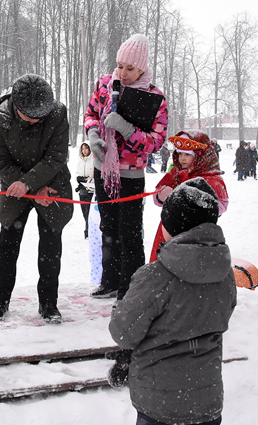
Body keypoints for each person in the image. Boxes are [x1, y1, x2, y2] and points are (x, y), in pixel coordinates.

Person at [109, 178, 237, 425]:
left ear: (172, 227)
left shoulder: (155, 276)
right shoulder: (225, 273)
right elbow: (222, 315)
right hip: (207, 399)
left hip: (160, 403)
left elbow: (123, 333)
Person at [84, 33, 168, 302]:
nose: (122, 72)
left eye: (129, 68)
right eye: (120, 65)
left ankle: (130, 286)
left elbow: (156, 142)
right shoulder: (105, 84)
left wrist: (126, 129)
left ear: (142, 68)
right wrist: (94, 136)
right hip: (103, 169)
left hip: (131, 174)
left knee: (129, 231)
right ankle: (109, 281)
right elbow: (91, 115)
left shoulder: (155, 98)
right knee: (107, 228)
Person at [0, 73, 74, 325]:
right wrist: (29, 188)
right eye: (30, 117)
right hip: (15, 184)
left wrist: (33, 185)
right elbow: (1, 161)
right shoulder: (0, 118)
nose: (36, 121)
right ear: (17, 106)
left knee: (50, 247)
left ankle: (49, 303)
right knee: (8, 245)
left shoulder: (57, 113)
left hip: (52, 185)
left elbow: (56, 157)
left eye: (40, 117)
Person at [149, 131, 229, 262]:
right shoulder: (176, 173)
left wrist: (187, 202)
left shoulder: (211, 178)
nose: (182, 158)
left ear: (200, 156)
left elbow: (220, 205)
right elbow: (158, 195)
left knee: (188, 266)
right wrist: (160, 196)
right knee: (164, 266)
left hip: (196, 233)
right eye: (180, 154)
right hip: (168, 229)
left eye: (187, 154)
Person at [75, 142, 95, 238]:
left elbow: (93, 175)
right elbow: (77, 174)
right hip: (82, 189)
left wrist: (87, 179)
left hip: (90, 189)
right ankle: (88, 228)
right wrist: (80, 179)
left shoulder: (93, 159)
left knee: (89, 212)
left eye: (86, 148)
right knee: (84, 211)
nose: (84, 151)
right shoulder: (80, 160)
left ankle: (88, 230)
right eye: (82, 149)